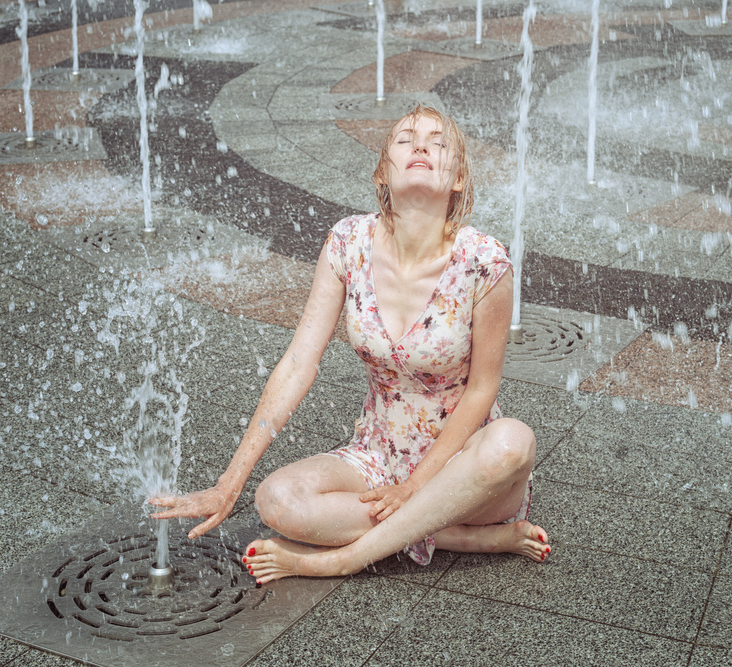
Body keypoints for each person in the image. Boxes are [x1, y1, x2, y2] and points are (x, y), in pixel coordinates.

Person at [149, 105, 549, 583]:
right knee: (275, 500)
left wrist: (416, 486)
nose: (420, 145)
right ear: (383, 171)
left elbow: (482, 390)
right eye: (405, 139)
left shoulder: (485, 262)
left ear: (458, 177)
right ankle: (458, 537)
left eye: (436, 142)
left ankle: (343, 559)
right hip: (378, 455)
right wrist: (228, 483)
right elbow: (299, 362)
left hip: (465, 471)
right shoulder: (348, 244)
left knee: (513, 442)